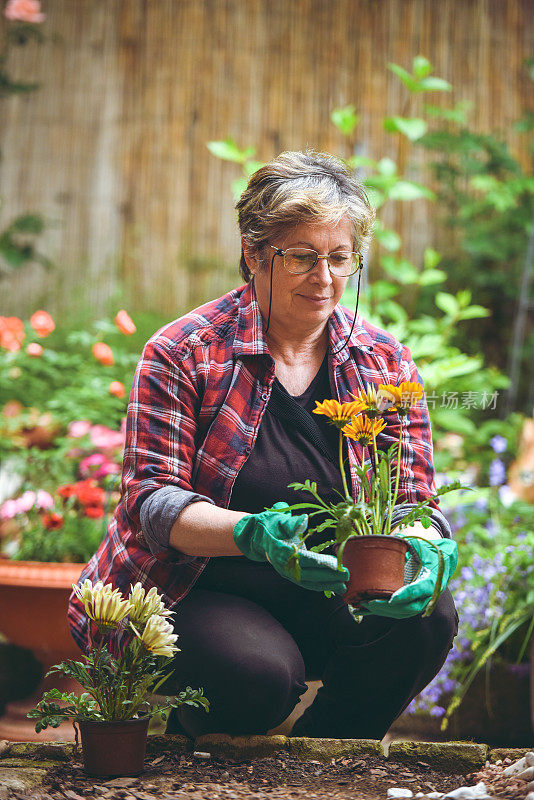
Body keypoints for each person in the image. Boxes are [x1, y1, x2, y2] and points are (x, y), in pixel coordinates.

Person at [68, 150, 458, 740]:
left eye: (339, 257)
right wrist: (252, 534)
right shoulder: (186, 351)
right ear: (253, 255)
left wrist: (427, 545)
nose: (324, 278)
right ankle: (195, 745)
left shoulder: (383, 362)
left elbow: (412, 496)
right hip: (194, 588)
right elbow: (153, 503)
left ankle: (329, 755)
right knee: (256, 677)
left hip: (327, 585)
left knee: (427, 619)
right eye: (301, 257)